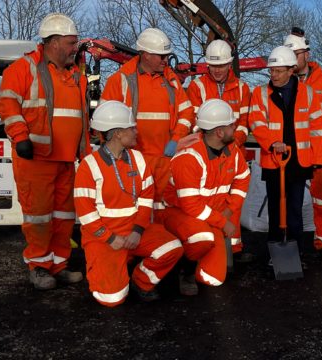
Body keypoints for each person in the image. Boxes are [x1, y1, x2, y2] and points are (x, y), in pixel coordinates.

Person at [0, 13, 87, 290]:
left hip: (65, 159)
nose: (75, 48)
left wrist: (83, 151)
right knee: (38, 216)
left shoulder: (74, 74)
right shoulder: (24, 68)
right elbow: (8, 104)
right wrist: (20, 136)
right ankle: (38, 266)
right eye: (71, 43)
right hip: (35, 158)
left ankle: (58, 265)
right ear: (54, 42)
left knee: (63, 217)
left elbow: (80, 115)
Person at [74, 101, 183, 306]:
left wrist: (137, 230)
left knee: (172, 247)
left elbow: (145, 199)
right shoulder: (89, 166)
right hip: (106, 238)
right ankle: (118, 264)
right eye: (132, 128)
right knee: (112, 300)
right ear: (117, 134)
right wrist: (109, 238)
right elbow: (86, 214)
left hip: (135, 232)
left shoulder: (138, 159)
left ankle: (140, 281)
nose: (136, 131)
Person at [101, 27, 194, 220]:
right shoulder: (120, 80)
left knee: (161, 207)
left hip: (164, 158)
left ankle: (160, 245)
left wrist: (176, 139)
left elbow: (187, 112)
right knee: (134, 207)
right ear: (145, 55)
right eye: (161, 56)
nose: (165, 61)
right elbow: (105, 123)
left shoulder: (171, 79)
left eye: (166, 56)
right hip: (133, 159)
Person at [248, 45, 322, 265]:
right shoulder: (261, 93)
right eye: (271, 71)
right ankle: (275, 251)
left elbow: (317, 128)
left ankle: (295, 251)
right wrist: (272, 143)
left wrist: (318, 159)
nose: (273, 75)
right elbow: (256, 122)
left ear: (291, 70)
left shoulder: (308, 93)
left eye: (278, 71)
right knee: (275, 208)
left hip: (299, 161)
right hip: (274, 161)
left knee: (294, 209)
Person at [163, 99, 250, 291]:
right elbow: (191, 206)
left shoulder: (232, 150)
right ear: (219, 132)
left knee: (213, 278)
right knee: (201, 237)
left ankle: (196, 253)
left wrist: (228, 211)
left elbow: (243, 178)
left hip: (210, 215)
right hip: (179, 214)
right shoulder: (189, 156)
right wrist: (222, 222)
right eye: (230, 126)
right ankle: (184, 269)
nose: (234, 128)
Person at [185, 39, 253, 262]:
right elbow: (195, 122)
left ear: (230, 64)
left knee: (233, 200)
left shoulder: (242, 88)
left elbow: (244, 121)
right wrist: (212, 142)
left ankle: (234, 247)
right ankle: (210, 245)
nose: (217, 71)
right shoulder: (197, 87)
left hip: (234, 152)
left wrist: (234, 141)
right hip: (208, 153)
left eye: (222, 66)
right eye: (213, 66)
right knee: (208, 200)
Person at [283, 27, 322, 262]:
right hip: (294, 151)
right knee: (292, 199)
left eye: (296, 54)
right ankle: (293, 243)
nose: (293, 60)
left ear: (306, 54)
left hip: (321, 148)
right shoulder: (285, 81)